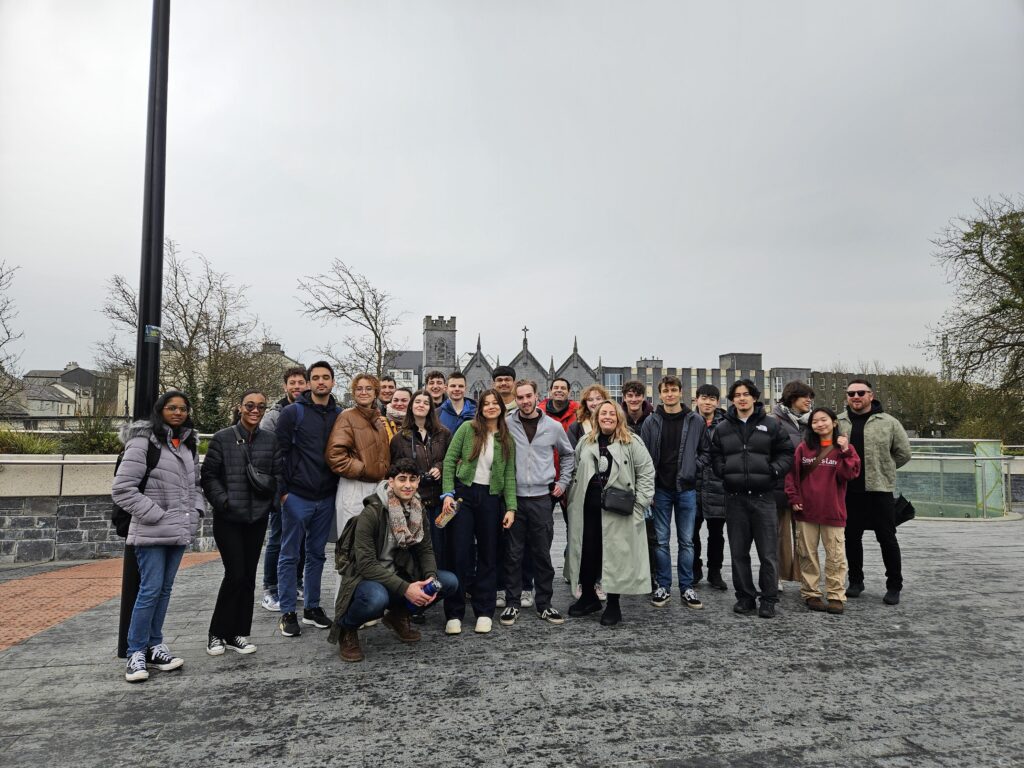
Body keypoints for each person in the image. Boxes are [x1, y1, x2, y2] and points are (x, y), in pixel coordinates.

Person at [112, 390, 203, 683]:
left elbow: (195, 485)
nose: (177, 413)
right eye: (171, 408)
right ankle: (135, 651)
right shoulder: (142, 442)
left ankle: (154, 644)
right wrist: (154, 515)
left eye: (182, 408)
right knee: (150, 589)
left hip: (178, 530)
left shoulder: (187, 444)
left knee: (164, 590)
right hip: (152, 530)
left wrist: (197, 511)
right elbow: (123, 489)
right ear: (160, 410)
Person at [329, 460, 460, 661]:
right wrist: (408, 589)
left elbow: (425, 549)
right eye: (402, 479)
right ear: (391, 482)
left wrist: (430, 580)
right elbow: (366, 564)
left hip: (399, 574)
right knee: (376, 600)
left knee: (446, 582)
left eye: (412, 480)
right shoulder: (372, 512)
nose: (408, 485)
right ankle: (347, 628)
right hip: (367, 579)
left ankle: (398, 616)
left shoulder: (417, 509)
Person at [200, 389, 283, 656]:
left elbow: (278, 475)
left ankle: (237, 633)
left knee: (248, 576)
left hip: (256, 518)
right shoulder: (223, 438)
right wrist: (223, 501)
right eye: (250, 405)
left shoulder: (270, 440)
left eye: (260, 406)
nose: (255, 410)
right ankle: (216, 632)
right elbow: (209, 476)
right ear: (240, 407)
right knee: (234, 574)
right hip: (229, 518)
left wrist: (269, 505)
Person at [565, 401, 655, 626]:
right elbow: (576, 468)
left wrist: (640, 505)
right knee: (587, 552)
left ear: (619, 418)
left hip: (619, 509)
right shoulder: (585, 441)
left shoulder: (632, 441)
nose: (607, 417)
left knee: (615, 556)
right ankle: (588, 597)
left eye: (611, 413)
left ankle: (613, 604)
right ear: (596, 417)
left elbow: (646, 472)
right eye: (602, 413)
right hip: (587, 507)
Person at [710, 379, 794, 619]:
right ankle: (745, 597)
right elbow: (715, 455)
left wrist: (774, 471)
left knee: (768, 553)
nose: (742, 398)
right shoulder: (723, 428)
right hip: (735, 498)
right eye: (737, 395)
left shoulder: (771, 425)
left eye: (746, 394)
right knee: (738, 552)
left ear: (755, 397)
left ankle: (768, 599)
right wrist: (724, 472)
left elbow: (787, 452)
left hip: (764, 497)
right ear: (732, 399)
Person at [440, 389, 517, 635]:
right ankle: (454, 613)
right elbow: (450, 461)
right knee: (460, 553)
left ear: (501, 409)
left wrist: (511, 507)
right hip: (464, 495)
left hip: (491, 498)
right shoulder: (467, 429)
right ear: (480, 408)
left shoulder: (507, 438)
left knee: (488, 554)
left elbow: (508, 475)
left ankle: (484, 611)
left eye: (496, 403)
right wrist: (448, 494)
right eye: (487, 403)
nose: (492, 407)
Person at [274, 361, 342, 638]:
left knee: (317, 555)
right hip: (297, 495)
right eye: (316, 378)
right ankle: (288, 611)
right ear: (309, 382)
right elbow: (277, 454)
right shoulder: (292, 413)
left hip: (326, 495)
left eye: (326, 378)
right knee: (289, 554)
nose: (321, 382)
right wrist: (283, 493)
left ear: (333, 382)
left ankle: (312, 607)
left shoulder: (340, 415)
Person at [502, 380, 575, 626]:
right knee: (513, 554)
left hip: (543, 499)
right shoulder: (506, 424)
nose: (524, 401)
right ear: (516, 398)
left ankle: (544, 604)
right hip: (514, 499)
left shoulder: (553, 426)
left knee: (542, 554)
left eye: (528, 396)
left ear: (537, 396)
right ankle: (512, 603)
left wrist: (562, 482)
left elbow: (568, 455)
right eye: (520, 397)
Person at [837, 378, 912, 605]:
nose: (856, 397)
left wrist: (885, 469)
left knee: (887, 538)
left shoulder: (889, 422)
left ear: (871, 395)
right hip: (849, 490)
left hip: (879, 490)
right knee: (851, 537)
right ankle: (856, 581)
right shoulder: (838, 422)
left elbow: (903, 453)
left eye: (861, 393)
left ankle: (894, 585)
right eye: (851, 394)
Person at [785, 407, 860, 615]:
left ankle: (836, 595)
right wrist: (794, 497)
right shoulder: (804, 448)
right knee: (807, 554)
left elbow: (850, 474)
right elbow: (792, 475)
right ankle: (811, 593)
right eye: (815, 421)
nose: (820, 424)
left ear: (834, 422)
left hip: (832, 511)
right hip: (806, 510)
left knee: (835, 555)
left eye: (824, 420)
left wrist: (845, 451)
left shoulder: (843, 448)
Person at [639, 375, 706, 609]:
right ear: (660, 394)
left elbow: (705, 451)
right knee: (661, 542)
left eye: (674, 390)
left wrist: (692, 468)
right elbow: (644, 456)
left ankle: (686, 587)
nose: (670, 394)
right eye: (665, 391)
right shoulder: (651, 421)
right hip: (660, 489)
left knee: (687, 541)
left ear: (681, 392)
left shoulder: (695, 420)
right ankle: (664, 586)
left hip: (686, 489)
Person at [390, 390, 451, 621]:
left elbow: (452, 458)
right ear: (411, 406)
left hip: (436, 502)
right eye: (418, 401)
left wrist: (440, 467)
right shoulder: (400, 437)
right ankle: (412, 601)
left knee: (436, 551)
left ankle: (432, 593)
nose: (422, 405)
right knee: (412, 553)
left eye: (426, 402)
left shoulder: (443, 434)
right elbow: (394, 468)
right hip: (411, 503)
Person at [326, 373, 393, 574]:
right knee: (350, 547)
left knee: (373, 547)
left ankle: (369, 602)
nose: (363, 392)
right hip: (354, 487)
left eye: (368, 388)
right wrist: (363, 470)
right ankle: (345, 601)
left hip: (375, 489)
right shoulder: (347, 416)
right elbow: (335, 455)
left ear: (376, 393)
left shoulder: (379, 421)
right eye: (359, 389)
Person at [259, 365, 308, 612]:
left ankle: (296, 583)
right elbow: (265, 453)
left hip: (307, 487)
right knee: (278, 539)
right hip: (283, 487)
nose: (297, 387)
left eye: (301, 382)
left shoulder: (311, 412)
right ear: (285, 386)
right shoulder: (274, 416)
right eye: (293, 383)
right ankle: (271, 588)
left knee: (301, 540)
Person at [769, 380, 815, 590]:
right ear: (792, 398)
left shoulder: (814, 421)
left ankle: (805, 576)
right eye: (805, 396)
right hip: (778, 484)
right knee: (778, 533)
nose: (809, 401)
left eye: (810, 397)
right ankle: (776, 575)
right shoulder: (773, 419)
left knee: (806, 535)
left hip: (805, 486)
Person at [693, 384, 728, 591]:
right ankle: (694, 569)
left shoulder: (725, 424)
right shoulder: (689, 421)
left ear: (717, 402)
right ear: (696, 399)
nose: (707, 402)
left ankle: (715, 571)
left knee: (717, 533)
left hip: (718, 484)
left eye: (712, 399)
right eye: (704, 398)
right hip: (694, 483)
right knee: (691, 533)